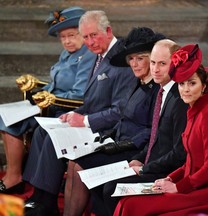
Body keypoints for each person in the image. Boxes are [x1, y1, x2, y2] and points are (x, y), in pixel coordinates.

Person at [22, 10, 135, 216]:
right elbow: (92, 100)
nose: (89, 42)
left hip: (110, 129)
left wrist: (85, 119)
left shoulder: (121, 59)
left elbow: (120, 111)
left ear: (108, 31)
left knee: (53, 138)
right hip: (92, 119)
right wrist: (74, 113)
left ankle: (46, 202)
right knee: (43, 130)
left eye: (94, 35)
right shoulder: (98, 55)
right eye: (85, 37)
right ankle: (39, 196)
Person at [113, 44, 208, 216]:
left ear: (204, 86)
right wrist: (171, 177)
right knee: (127, 201)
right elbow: (189, 161)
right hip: (187, 183)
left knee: (131, 205)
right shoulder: (193, 111)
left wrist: (178, 186)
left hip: (203, 192)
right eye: (181, 84)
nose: (186, 89)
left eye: (192, 83)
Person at [63, 26, 165, 216]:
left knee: (78, 166)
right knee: (73, 161)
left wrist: (119, 146)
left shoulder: (157, 90)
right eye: (131, 59)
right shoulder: (137, 82)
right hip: (118, 143)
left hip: (134, 150)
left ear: (151, 59)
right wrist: (107, 136)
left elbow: (152, 130)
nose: (134, 64)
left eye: (140, 58)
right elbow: (124, 116)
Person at [0, 6, 95, 194]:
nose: (67, 41)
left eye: (72, 35)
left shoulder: (88, 55)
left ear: (83, 33)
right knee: (4, 114)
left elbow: (79, 94)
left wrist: (49, 98)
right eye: (63, 37)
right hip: (50, 102)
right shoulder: (67, 54)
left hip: (64, 108)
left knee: (8, 121)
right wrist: (39, 91)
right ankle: (14, 174)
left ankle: (14, 177)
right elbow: (55, 83)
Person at [99, 39, 188, 216]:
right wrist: (139, 159)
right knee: (102, 182)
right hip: (150, 163)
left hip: (166, 173)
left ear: (175, 64)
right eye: (153, 62)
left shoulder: (179, 99)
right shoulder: (163, 91)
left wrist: (144, 169)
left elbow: (179, 153)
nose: (155, 69)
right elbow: (156, 137)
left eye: (162, 64)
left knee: (110, 188)